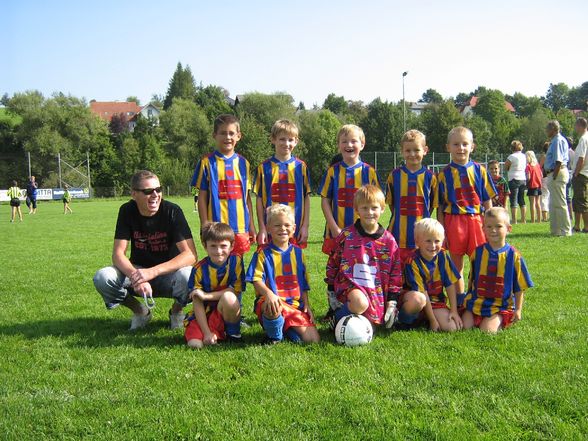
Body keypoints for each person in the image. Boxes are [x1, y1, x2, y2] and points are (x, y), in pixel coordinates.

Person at [93, 170, 197, 330]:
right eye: (148, 191)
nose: (155, 195)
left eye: (158, 189)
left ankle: (177, 312)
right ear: (134, 194)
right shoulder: (127, 211)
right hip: (138, 271)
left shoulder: (172, 211)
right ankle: (141, 312)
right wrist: (137, 276)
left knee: (189, 275)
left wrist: (152, 272)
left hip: (169, 275)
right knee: (103, 277)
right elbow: (118, 254)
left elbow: (190, 255)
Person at [318, 124, 380, 319]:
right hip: (336, 232)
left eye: (353, 141)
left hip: (361, 234)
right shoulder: (333, 172)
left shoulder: (369, 172)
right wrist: (334, 227)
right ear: (338, 146)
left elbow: (376, 201)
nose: (349, 144)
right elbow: (325, 200)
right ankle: (333, 307)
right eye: (344, 141)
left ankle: (359, 303)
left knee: (359, 267)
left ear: (362, 144)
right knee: (334, 269)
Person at [325, 185, 403, 333]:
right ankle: (336, 318)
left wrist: (392, 301)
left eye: (374, 208)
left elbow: (395, 273)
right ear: (356, 210)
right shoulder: (347, 236)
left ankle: (355, 318)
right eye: (365, 208)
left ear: (382, 209)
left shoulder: (389, 241)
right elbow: (333, 261)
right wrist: (331, 290)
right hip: (349, 288)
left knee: (370, 325)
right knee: (360, 303)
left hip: (375, 292)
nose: (370, 212)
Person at [437, 126, 496, 308]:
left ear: (472, 147)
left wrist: (490, 223)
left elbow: (487, 201)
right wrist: (441, 229)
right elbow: (439, 206)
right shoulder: (443, 174)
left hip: (476, 220)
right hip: (453, 221)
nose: (460, 148)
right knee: (456, 265)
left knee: (479, 262)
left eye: (465, 144)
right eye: (456, 144)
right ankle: (460, 301)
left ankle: (479, 297)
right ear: (448, 147)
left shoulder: (480, 171)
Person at [246, 204, 320, 344]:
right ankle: (274, 336)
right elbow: (256, 279)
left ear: (294, 228)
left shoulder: (298, 253)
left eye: (287, 225)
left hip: (294, 305)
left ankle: (285, 329)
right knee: (272, 305)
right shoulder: (263, 253)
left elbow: (303, 283)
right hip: (271, 302)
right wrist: (268, 294)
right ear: (268, 228)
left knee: (313, 340)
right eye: (277, 225)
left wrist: (307, 304)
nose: (282, 229)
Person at [190, 114, 256, 256]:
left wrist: (251, 225)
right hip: (216, 226)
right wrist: (204, 224)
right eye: (223, 133)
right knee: (217, 262)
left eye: (231, 133)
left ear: (238, 136)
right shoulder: (206, 162)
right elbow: (202, 197)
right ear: (215, 135)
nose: (227, 137)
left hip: (240, 226)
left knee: (237, 265)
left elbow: (247, 198)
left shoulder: (244, 163)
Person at [462, 207, 533, 333]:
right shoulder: (477, 253)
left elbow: (519, 287)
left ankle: (499, 319)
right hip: (477, 302)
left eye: (498, 226)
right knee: (464, 327)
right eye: (488, 227)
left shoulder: (514, 256)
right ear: (483, 229)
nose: (493, 230)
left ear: (508, 229)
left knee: (487, 331)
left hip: (499, 305)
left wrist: (518, 310)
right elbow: (472, 280)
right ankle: (476, 316)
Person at [184, 222, 244, 349]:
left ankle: (233, 334)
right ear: (205, 246)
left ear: (232, 246)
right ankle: (210, 332)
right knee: (195, 345)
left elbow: (235, 291)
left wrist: (206, 296)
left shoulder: (236, 262)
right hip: (204, 315)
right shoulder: (199, 269)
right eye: (213, 246)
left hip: (225, 310)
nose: (218, 251)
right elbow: (197, 301)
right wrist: (206, 333)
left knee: (229, 297)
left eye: (223, 246)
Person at [255, 119, 311, 247]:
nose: (286, 143)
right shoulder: (263, 168)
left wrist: (305, 226)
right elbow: (259, 200)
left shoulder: (301, 167)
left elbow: (306, 197)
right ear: (273, 139)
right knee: (269, 263)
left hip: (293, 230)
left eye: (290, 140)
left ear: (296, 141)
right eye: (282, 139)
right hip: (271, 230)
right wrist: (262, 228)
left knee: (292, 263)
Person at [385, 129, 438, 265]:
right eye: (408, 151)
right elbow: (391, 203)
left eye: (416, 150)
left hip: (422, 235)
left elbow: (432, 204)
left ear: (425, 150)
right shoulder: (394, 175)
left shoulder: (430, 177)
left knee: (420, 273)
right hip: (398, 233)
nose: (412, 154)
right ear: (402, 151)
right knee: (397, 273)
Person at [403, 218, 462, 332]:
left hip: (435, 302)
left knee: (452, 328)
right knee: (418, 300)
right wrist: (433, 320)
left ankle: (426, 319)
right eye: (428, 241)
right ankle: (405, 320)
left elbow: (450, 284)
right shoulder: (412, 261)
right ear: (417, 241)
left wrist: (454, 310)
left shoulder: (443, 256)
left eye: (437, 241)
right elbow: (422, 292)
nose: (433, 245)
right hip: (416, 301)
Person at [544, 120, 572, 236]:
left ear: (553, 129)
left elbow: (558, 160)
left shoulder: (558, 141)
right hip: (553, 173)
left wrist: (554, 175)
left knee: (560, 203)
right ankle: (555, 230)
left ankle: (565, 231)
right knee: (553, 203)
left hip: (557, 173)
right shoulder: (554, 141)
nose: (546, 131)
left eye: (547, 129)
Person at [504, 140, 527, 224]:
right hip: (522, 178)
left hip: (513, 178)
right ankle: (523, 220)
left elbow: (506, 167)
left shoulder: (511, 156)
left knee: (513, 200)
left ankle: (514, 220)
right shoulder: (524, 156)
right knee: (521, 199)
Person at [572, 117, 588, 232]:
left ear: (581, 126)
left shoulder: (583, 139)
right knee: (577, 200)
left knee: (582, 201)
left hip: (581, 174)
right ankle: (577, 225)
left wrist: (576, 172)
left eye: (576, 125)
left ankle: (586, 226)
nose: (575, 128)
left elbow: (581, 158)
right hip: (583, 173)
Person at [525, 151, 543, 223]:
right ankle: (539, 219)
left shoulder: (528, 166)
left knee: (532, 203)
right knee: (538, 203)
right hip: (538, 185)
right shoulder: (537, 165)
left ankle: (533, 220)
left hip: (532, 185)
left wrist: (526, 182)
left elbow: (528, 177)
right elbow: (541, 175)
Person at [539, 142, 550, 222]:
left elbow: (540, 167)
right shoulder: (552, 156)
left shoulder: (544, 156)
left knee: (544, 196)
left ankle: (545, 216)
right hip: (551, 177)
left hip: (545, 177)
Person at [565, 136, 575, 218]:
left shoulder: (566, 152)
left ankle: (569, 215)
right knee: (569, 194)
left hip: (567, 173)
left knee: (567, 196)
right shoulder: (573, 152)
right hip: (572, 173)